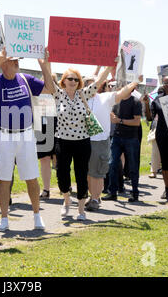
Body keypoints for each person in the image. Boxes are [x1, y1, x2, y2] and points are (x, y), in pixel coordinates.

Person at [0, 47, 53, 231]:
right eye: (13, 60)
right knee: (4, 178)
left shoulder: (25, 79)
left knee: (31, 176)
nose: (17, 62)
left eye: (18, 60)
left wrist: (44, 66)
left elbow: (51, 89)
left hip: (26, 134)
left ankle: (37, 216)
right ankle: (5, 218)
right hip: (4, 135)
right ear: (4, 63)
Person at [52, 65, 112, 220]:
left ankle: (80, 210)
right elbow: (47, 77)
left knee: (81, 174)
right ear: (63, 81)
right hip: (62, 141)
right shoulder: (58, 94)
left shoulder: (84, 94)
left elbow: (98, 82)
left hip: (82, 142)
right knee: (62, 173)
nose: (72, 81)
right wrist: (44, 62)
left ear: (79, 82)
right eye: (69, 78)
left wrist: (110, 66)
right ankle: (66, 200)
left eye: (75, 79)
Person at [86, 77, 142, 211]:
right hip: (84, 140)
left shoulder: (105, 97)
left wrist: (136, 81)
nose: (90, 88)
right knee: (88, 172)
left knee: (98, 172)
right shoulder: (81, 98)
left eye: (93, 85)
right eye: (88, 86)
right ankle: (95, 195)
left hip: (101, 140)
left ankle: (95, 198)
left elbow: (123, 92)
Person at [104, 79, 143, 203]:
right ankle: (112, 192)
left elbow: (137, 122)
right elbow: (112, 117)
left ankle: (135, 193)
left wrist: (119, 120)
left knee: (132, 166)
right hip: (117, 137)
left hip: (131, 138)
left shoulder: (136, 102)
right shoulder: (116, 102)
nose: (120, 89)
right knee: (112, 164)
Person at [37, 74, 58, 200]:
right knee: (44, 159)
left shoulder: (56, 92)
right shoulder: (37, 92)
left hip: (56, 126)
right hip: (41, 127)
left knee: (58, 159)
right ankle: (46, 189)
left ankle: (64, 185)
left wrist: (50, 79)